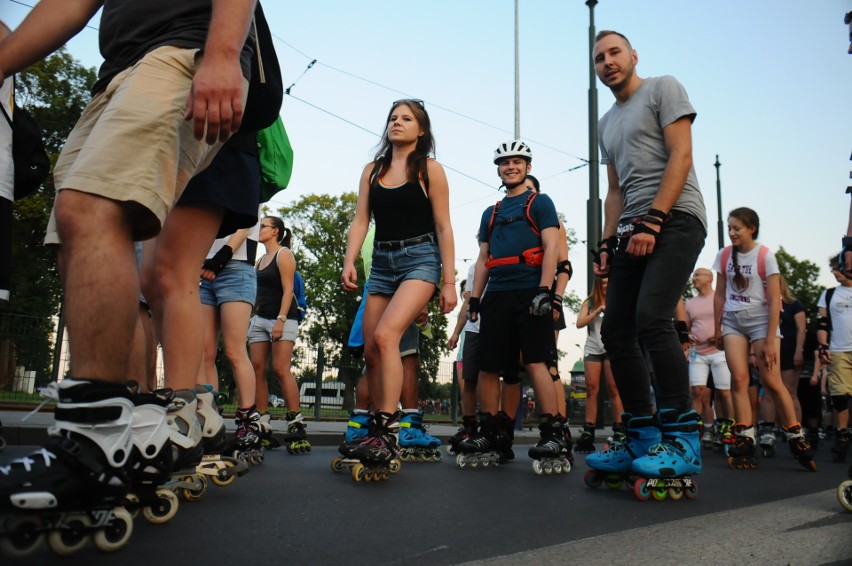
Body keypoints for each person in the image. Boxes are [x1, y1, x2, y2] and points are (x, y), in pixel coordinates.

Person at [0, 0, 257, 547]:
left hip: (184, 47)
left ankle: (96, 436)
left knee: (100, 212)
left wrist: (221, 53)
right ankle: (123, 420)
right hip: (119, 70)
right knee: (76, 231)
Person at [585, 30, 705, 486]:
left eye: (615, 53)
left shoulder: (662, 88)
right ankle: (640, 434)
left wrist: (655, 219)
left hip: (675, 217)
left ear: (633, 56)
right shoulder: (606, 123)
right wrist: (605, 242)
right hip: (633, 226)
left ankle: (683, 438)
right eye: (599, 58)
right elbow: (614, 190)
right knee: (616, 330)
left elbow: (681, 154)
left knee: (653, 318)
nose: (608, 62)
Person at [341, 99, 456, 469]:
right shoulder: (372, 171)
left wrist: (449, 281)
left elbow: (443, 226)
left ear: (421, 130)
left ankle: (386, 430)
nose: (397, 123)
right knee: (373, 352)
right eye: (393, 118)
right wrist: (349, 260)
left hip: (421, 260)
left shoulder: (430, 169)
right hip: (382, 265)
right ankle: (377, 422)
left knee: (387, 336)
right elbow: (361, 221)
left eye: (406, 118)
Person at [461, 139, 569, 472]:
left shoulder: (540, 202)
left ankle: (552, 432)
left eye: (517, 162)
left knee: (537, 362)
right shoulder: (490, 212)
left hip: (529, 291)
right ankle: (492, 432)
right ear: (499, 168)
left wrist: (545, 291)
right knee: (489, 366)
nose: (511, 166)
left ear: (528, 167)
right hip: (497, 294)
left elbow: (551, 248)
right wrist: (474, 298)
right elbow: (483, 259)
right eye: (505, 162)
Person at [713, 207, 815, 471]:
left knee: (771, 380)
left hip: (761, 322)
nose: (732, 232)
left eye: (737, 228)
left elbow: (774, 300)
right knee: (739, 379)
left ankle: (795, 435)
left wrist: (770, 339)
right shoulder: (724, 256)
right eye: (730, 227)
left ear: (751, 229)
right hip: (733, 321)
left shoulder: (765, 256)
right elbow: (720, 294)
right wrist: (717, 327)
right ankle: (745, 436)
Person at [198, 223, 261, 459]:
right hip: (205, 269)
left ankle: (248, 424)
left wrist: (222, 256)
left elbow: (245, 226)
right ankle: (211, 421)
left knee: (234, 350)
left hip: (236, 268)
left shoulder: (252, 184)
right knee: (204, 353)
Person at [249, 215, 310, 454]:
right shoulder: (260, 260)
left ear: (275, 231)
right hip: (260, 318)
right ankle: (263, 422)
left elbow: (288, 290)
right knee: (256, 368)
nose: (259, 229)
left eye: (262, 226)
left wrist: (281, 320)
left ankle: (296, 422)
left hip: (283, 318)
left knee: (281, 369)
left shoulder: (283, 255)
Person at [685, 268, 734, 448]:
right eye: (694, 275)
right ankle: (694, 429)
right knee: (697, 391)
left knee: (724, 392)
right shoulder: (689, 304)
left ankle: (729, 427)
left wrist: (720, 333)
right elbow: (687, 328)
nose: (694, 278)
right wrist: (689, 337)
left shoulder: (720, 298)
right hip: (698, 352)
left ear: (709, 278)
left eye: (698, 274)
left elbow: (731, 321)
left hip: (720, 351)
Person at [575, 276, 623, 453]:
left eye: (608, 281)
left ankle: (619, 430)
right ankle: (588, 431)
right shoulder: (590, 301)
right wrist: (595, 312)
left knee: (614, 389)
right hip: (593, 347)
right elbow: (579, 323)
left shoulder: (619, 297)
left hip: (611, 346)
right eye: (602, 282)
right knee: (591, 389)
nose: (605, 285)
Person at [817, 255, 852, 463]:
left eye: (838, 268)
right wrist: (823, 346)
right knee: (840, 396)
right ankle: (842, 434)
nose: (835, 273)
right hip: (839, 349)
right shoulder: (829, 295)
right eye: (833, 270)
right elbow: (822, 323)